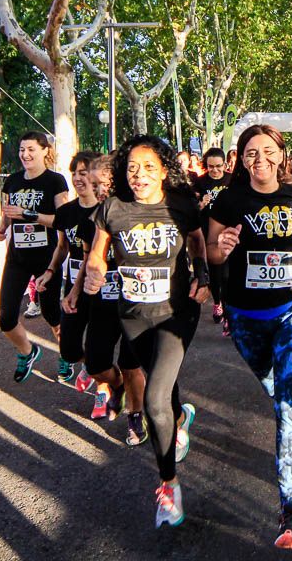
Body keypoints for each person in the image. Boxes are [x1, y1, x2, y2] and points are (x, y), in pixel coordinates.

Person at [207, 125, 292, 550]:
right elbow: (210, 250)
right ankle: (290, 414)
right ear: (240, 159)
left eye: (267, 151)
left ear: (281, 156)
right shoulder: (229, 200)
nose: (259, 159)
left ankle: (289, 512)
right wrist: (222, 248)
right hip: (246, 316)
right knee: (278, 392)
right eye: (250, 153)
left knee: (286, 404)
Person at [82, 136, 210, 528]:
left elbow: (196, 244)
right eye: (132, 168)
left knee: (154, 399)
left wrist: (202, 275)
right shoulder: (113, 209)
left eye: (149, 167)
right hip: (133, 312)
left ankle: (168, 485)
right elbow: (97, 253)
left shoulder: (181, 205)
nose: (139, 175)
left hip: (176, 313)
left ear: (164, 171)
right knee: (159, 381)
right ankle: (179, 416)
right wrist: (94, 272)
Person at [59, 154, 148, 440]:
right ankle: (116, 386)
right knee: (96, 363)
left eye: (102, 183)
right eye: (93, 183)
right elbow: (86, 259)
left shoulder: (138, 214)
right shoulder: (92, 220)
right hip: (103, 302)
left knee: (132, 364)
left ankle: (135, 415)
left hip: (136, 304)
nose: (97, 189)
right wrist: (74, 291)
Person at [0, 132, 70, 382]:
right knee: (5, 318)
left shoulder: (55, 181)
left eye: (31, 149)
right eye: (21, 149)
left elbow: (63, 219)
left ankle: (66, 354)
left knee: (51, 315)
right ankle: (28, 352)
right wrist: (3, 226)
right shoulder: (13, 181)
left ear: (44, 151)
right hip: (17, 258)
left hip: (47, 259)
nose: (25, 154)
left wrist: (29, 214)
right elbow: (8, 211)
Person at [45, 152, 98, 393]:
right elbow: (63, 246)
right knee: (69, 348)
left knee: (102, 346)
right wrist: (50, 270)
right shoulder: (66, 212)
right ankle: (90, 366)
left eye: (83, 172)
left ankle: (105, 389)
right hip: (73, 282)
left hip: (101, 285)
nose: (77, 178)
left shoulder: (107, 210)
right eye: (74, 173)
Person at [193, 148, 231, 336]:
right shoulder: (200, 182)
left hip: (230, 234)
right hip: (210, 235)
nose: (214, 171)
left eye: (218, 167)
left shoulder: (232, 180)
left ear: (225, 165)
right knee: (217, 274)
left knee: (230, 275)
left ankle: (229, 315)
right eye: (210, 167)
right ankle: (218, 303)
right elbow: (193, 210)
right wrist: (201, 204)